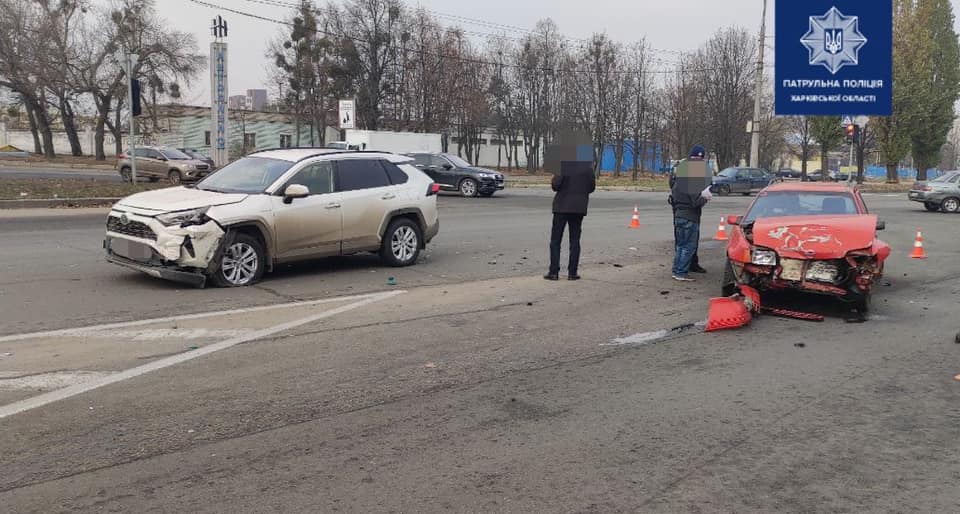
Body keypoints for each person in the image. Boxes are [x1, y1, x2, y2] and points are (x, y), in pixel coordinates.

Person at [545, 161, 596, 281]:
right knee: (575, 240)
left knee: (555, 240)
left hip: (561, 207)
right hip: (578, 208)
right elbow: (592, 187)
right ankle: (572, 273)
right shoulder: (588, 169)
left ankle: (554, 272)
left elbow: (555, 185)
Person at [670, 145, 712, 282]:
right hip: (689, 217)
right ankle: (681, 272)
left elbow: (674, 194)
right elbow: (695, 201)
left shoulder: (679, 176)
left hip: (678, 215)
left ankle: (677, 270)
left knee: (681, 245)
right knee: (688, 246)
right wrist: (705, 197)